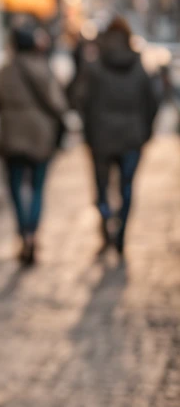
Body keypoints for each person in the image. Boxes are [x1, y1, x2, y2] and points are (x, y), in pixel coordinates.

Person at [73, 16, 158, 254]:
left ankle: (106, 218)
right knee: (127, 186)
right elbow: (153, 101)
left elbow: (80, 98)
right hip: (132, 136)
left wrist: (90, 126)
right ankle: (120, 229)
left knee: (102, 187)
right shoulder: (138, 66)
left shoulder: (95, 65)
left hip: (101, 138)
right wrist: (145, 131)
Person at [0, 24, 68, 265]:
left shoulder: (3, 72)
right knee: (37, 188)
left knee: (14, 187)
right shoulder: (45, 69)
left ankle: (23, 230)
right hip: (41, 137)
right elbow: (58, 104)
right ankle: (32, 233)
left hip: (12, 136)